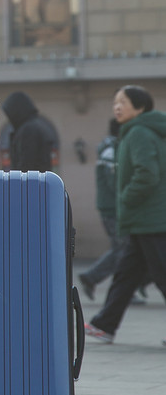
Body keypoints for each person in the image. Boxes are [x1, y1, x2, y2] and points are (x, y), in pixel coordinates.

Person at [86, 87, 166, 344]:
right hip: (144, 219)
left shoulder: (139, 133)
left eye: (123, 102)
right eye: (115, 102)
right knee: (126, 274)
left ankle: (105, 323)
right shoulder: (143, 131)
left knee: (161, 274)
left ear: (140, 108)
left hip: (150, 219)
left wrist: (126, 199)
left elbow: (147, 173)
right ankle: (105, 324)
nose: (117, 107)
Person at [79, 119, 134, 302]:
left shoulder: (114, 147)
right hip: (113, 208)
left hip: (113, 207)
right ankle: (120, 288)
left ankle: (94, 278)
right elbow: (115, 182)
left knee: (123, 247)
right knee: (123, 248)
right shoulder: (112, 150)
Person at [1, 91, 54, 172]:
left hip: (31, 182)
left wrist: (19, 181)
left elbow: (26, 164)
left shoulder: (28, 130)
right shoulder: (33, 126)